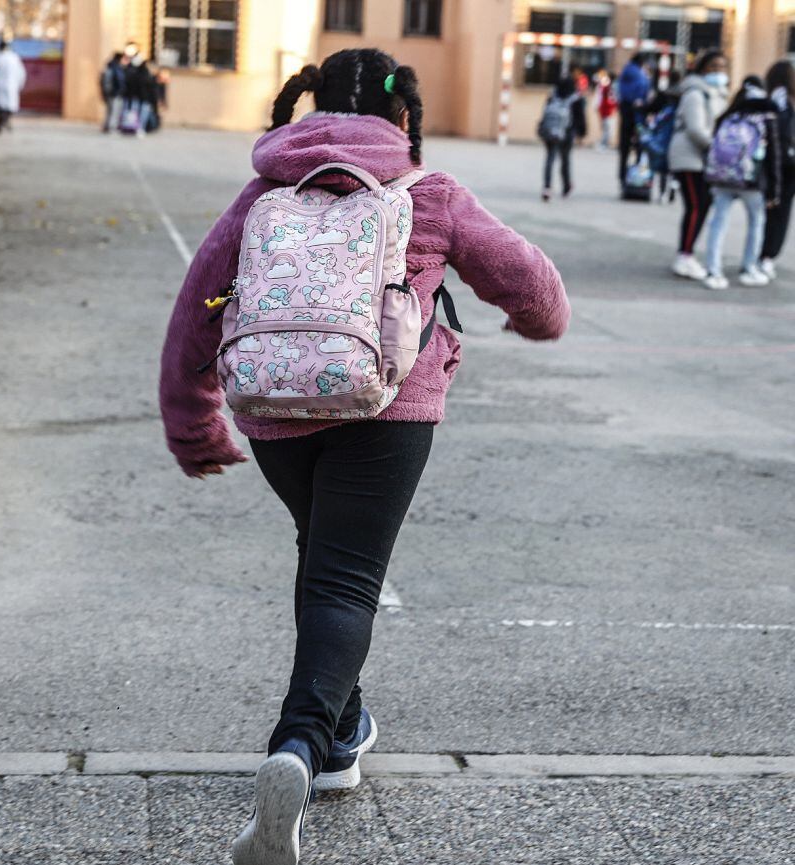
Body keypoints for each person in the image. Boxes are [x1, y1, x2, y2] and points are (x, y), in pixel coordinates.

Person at [157, 48, 571, 865]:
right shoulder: (432, 193)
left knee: (327, 561)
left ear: (307, 107)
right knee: (347, 576)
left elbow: (192, 318)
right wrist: (533, 322)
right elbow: (532, 284)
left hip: (274, 410)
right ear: (404, 116)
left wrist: (194, 426)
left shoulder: (263, 193)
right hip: (387, 407)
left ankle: (340, 735)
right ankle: (299, 746)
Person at [702, 77, 782, 289]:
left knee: (718, 223)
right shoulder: (766, 116)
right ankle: (749, 268)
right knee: (756, 222)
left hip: (722, 178)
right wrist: (774, 190)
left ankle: (713, 270)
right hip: (752, 180)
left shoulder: (729, 114)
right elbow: (774, 156)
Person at [668, 49, 729, 280]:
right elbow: (695, 129)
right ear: (702, 68)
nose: (718, 72)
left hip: (702, 158)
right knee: (696, 206)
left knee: (701, 206)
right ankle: (684, 256)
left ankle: (687, 253)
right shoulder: (695, 92)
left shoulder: (716, 93)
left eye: (722, 67)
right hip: (689, 157)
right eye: (713, 67)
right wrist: (717, 148)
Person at [760, 60, 795, 279]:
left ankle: (761, 255)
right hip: (786, 165)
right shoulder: (785, 102)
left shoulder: (768, 98)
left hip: (769, 164)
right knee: (779, 214)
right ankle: (767, 256)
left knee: (767, 213)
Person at [538, 76, 587, 201]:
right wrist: (581, 134)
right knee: (565, 160)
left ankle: (547, 187)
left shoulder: (552, 97)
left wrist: (542, 129)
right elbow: (580, 119)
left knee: (550, 159)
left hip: (551, 133)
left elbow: (544, 114)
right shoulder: (576, 99)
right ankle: (566, 186)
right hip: (567, 133)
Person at [641, 69, 682, 202]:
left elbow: (656, 117)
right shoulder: (682, 99)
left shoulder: (667, 104)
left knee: (662, 169)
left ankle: (661, 192)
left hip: (664, 139)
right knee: (672, 170)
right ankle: (671, 193)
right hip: (675, 139)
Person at [617, 53, 652, 188]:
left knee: (624, 149)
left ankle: (622, 176)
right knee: (639, 147)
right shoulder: (639, 75)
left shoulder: (626, 72)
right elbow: (643, 92)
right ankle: (637, 178)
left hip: (626, 114)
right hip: (637, 116)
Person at [122, 49, 156, 137]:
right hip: (135, 97)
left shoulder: (144, 73)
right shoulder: (132, 71)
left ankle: (139, 128)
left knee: (142, 114)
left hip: (143, 97)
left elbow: (150, 86)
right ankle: (133, 128)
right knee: (134, 113)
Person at [100, 52, 128, 133]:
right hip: (114, 93)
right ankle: (111, 127)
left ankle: (107, 126)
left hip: (111, 92)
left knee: (109, 110)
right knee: (114, 111)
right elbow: (119, 81)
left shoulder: (111, 66)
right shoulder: (116, 68)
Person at [595, 68, 618, 150]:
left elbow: (611, 98)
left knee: (608, 127)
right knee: (607, 127)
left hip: (607, 109)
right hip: (606, 109)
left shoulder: (608, 87)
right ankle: (604, 143)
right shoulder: (607, 87)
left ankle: (605, 143)